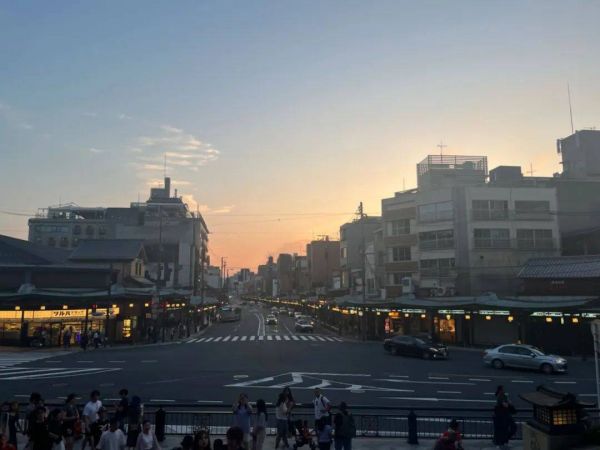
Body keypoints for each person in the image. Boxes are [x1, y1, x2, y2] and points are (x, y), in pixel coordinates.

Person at [493, 385, 516, 449]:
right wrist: (509, 404)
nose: (504, 390)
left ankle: (503, 441)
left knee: (504, 430)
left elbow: (507, 403)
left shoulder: (503, 396)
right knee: (508, 428)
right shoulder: (500, 397)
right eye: (503, 389)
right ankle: (503, 441)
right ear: (500, 390)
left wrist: (508, 403)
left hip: (503, 416)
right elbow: (506, 404)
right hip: (503, 416)